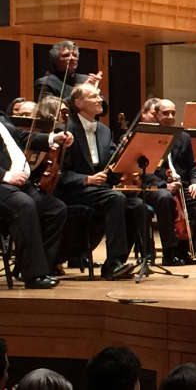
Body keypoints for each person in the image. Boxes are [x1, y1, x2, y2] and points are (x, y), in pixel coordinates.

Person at [58, 83, 139, 280]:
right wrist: (86, 179)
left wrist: (124, 156)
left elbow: (111, 167)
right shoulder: (65, 130)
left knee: (137, 205)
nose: (99, 100)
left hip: (100, 189)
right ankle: (113, 264)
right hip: (73, 189)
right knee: (115, 198)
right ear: (78, 103)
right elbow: (58, 172)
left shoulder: (104, 131)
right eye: (93, 96)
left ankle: (117, 263)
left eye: (99, 96)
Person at [0, 105, 72, 288]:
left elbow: (22, 137)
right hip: (3, 183)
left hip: (17, 184)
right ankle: (34, 275)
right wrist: (4, 176)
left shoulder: (1, 116)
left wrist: (53, 138)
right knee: (24, 205)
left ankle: (36, 267)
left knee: (55, 209)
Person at [145, 99, 196, 262]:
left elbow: (192, 166)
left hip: (182, 185)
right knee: (165, 198)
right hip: (157, 187)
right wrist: (164, 185)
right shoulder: (147, 136)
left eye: (173, 113)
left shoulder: (183, 137)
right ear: (155, 115)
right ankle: (169, 253)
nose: (170, 116)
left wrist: (195, 183)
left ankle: (185, 248)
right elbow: (143, 171)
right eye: (165, 113)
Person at [35, 41, 102, 100]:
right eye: (66, 55)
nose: (72, 58)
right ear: (56, 60)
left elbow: (103, 108)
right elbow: (51, 109)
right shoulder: (45, 83)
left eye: (75, 55)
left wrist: (94, 89)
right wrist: (81, 91)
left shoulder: (86, 79)